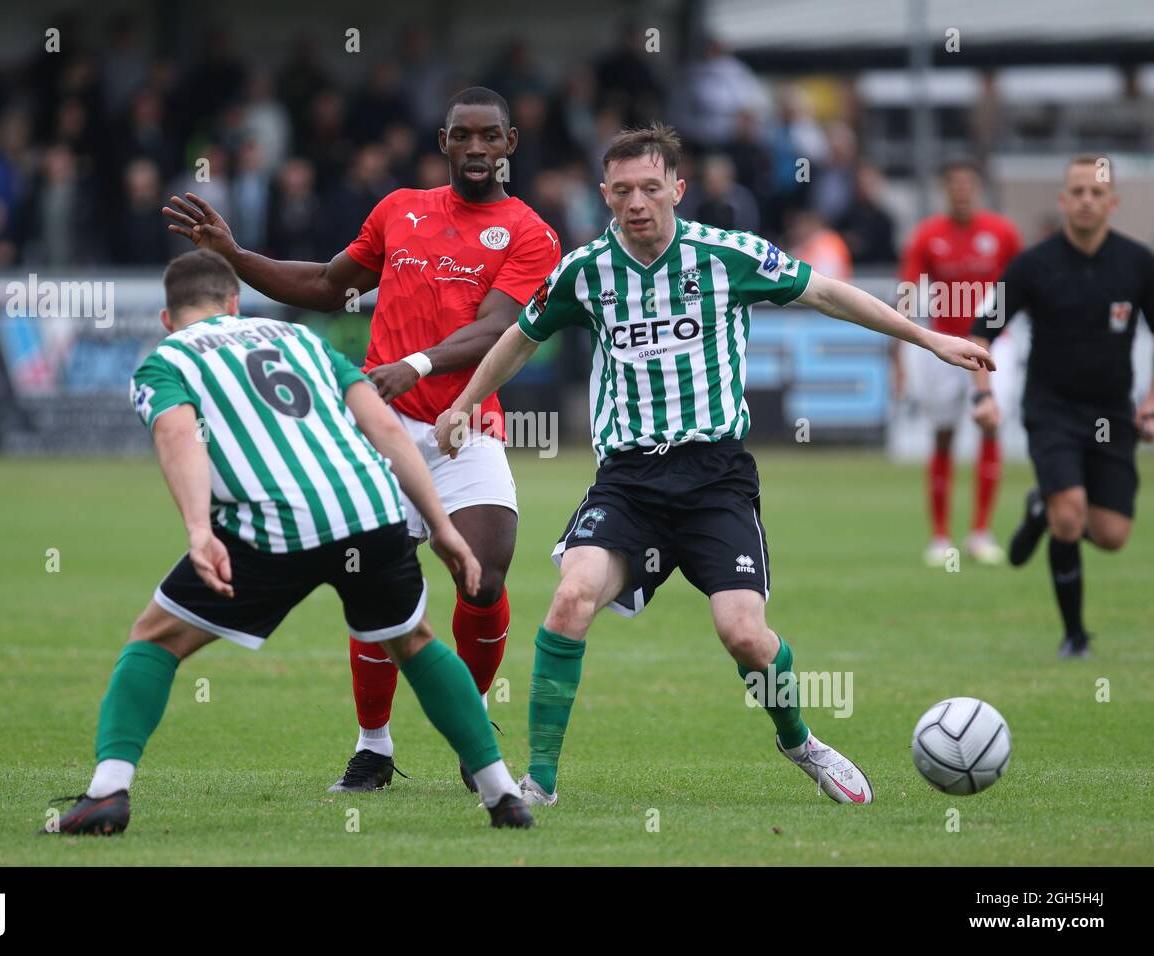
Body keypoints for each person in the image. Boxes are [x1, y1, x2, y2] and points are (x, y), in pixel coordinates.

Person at [433, 124, 993, 806]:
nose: (636, 202)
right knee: (570, 599)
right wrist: (465, 403)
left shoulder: (725, 255)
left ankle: (799, 741)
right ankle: (540, 783)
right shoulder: (585, 272)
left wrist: (929, 337)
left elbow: (827, 293)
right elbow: (520, 338)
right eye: (621, 190)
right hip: (630, 481)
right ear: (604, 196)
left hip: (714, 479)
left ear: (677, 187)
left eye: (649, 187)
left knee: (744, 635)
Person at [48, 250, 532, 834]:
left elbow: (179, 436)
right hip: (366, 509)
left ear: (166, 318)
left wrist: (200, 531)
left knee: (153, 639)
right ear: (234, 303)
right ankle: (501, 792)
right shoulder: (299, 340)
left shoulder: (166, 359)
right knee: (417, 642)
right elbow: (383, 426)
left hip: (270, 524)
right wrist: (443, 526)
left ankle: (108, 792)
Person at [162, 88, 561, 793]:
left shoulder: (530, 233)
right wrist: (233, 255)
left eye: (489, 137)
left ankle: (469, 732)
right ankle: (373, 747)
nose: (475, 149)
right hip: (378, 431)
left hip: (464, 425)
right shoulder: (399, 210)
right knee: (371, 582)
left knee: (484, 575)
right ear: (443, 143)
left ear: (510, 145)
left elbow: (498, 328)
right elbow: (325, 284)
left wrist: (414, 365)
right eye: (462, 136)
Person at [969, 155, 1154, 659]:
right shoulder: (1033, 265)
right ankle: (1075, 637)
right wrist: (983, 394)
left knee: (1113, 535)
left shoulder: (1138, 263)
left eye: (1097, 193)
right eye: (1077, 192)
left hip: (1111, 413)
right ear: (1063, 200)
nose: (1087, 201)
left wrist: (1150, 404)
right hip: (1050, 408)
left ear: (1112, 202)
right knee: (1070, 518)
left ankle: (1039, 508)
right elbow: (982, 332)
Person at [896, 159, 1021, 566]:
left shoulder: (1001, 233)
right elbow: (908, 289)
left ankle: (981, 531)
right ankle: (940, 536)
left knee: (989, 424)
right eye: (954, 185)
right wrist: (899, 347)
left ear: (977, 189)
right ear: (945, 190)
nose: (961, 192)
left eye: (968, 185)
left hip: (993, 344)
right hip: (944, 346)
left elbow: (1021, 283)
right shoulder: (928, 235)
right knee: (944, 434)